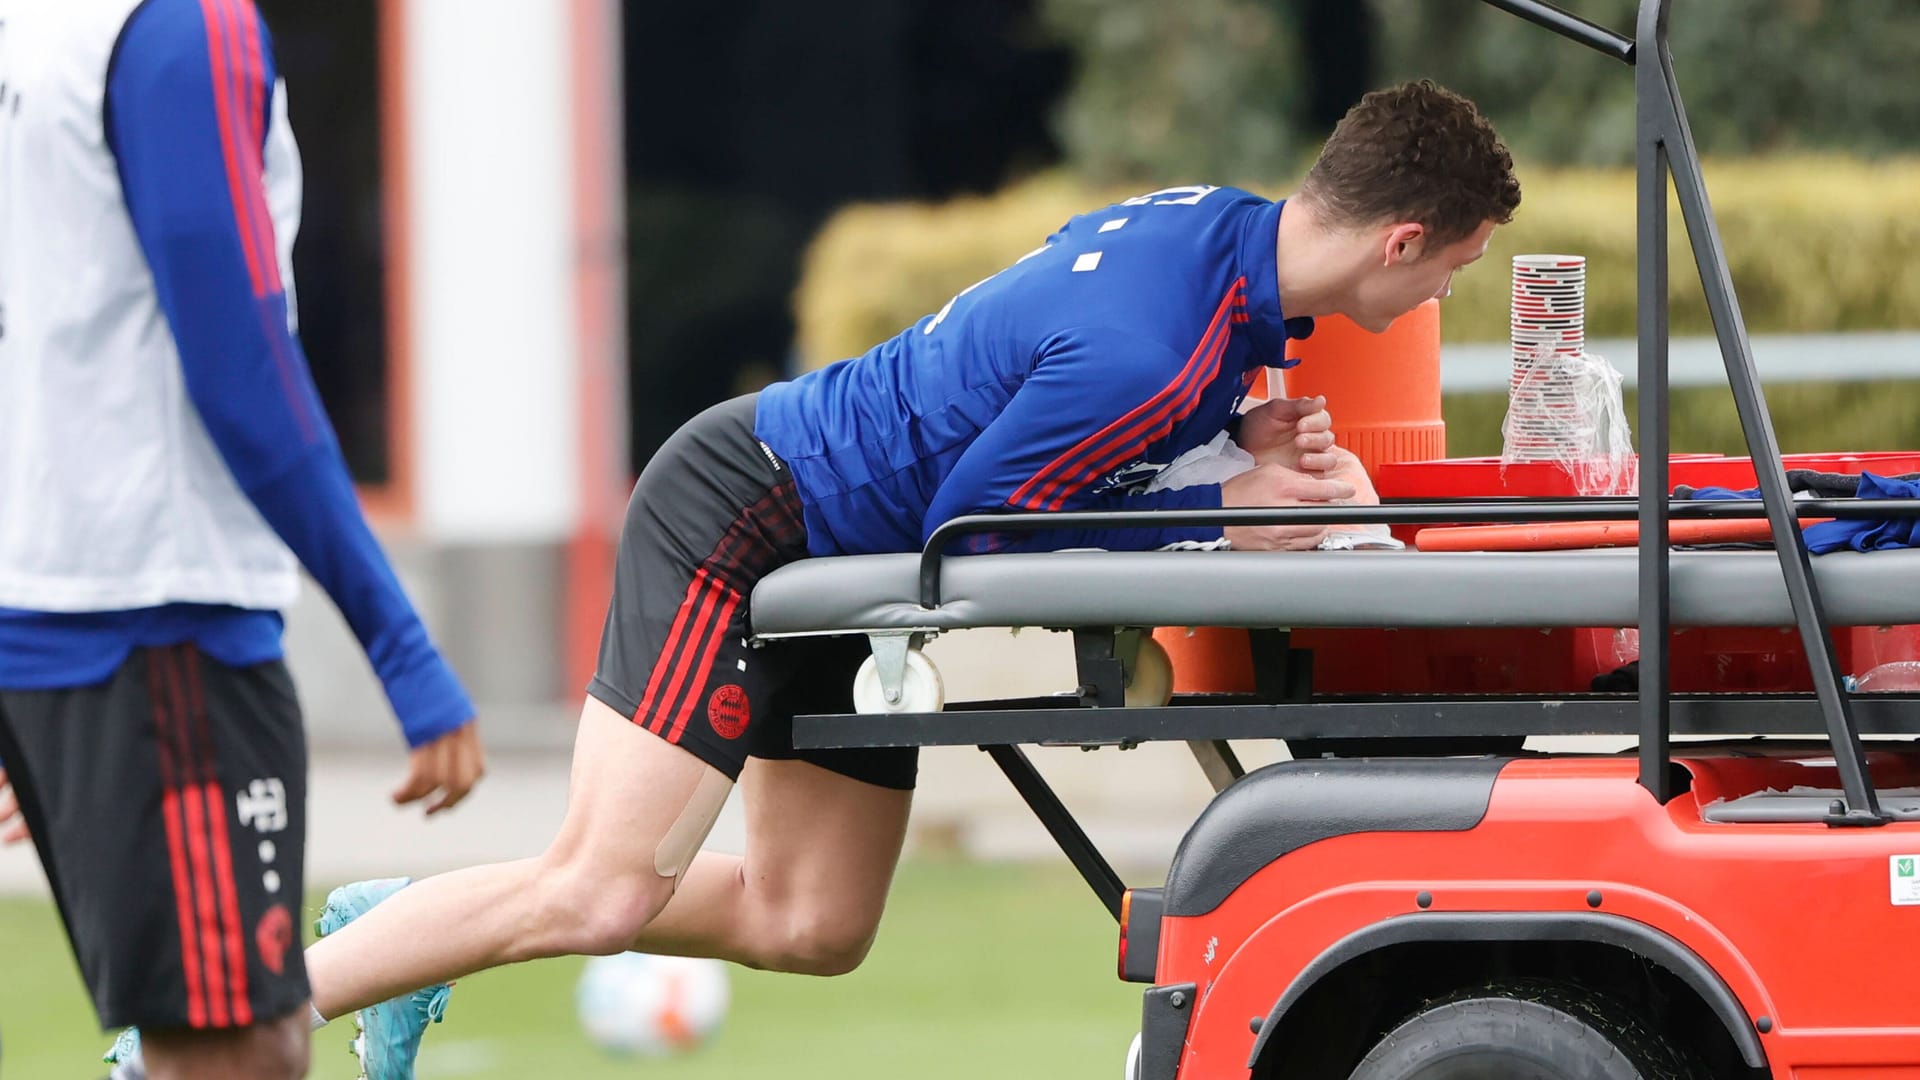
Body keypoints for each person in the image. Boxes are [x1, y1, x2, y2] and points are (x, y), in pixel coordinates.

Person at [127, 78, 1520, 1079]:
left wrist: (1235, 447)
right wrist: (1227, 522)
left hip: (844, 564)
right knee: (602, 892)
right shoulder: (1157, 336)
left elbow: (1053, 425)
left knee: (813, 926)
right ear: (1402, 241)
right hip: (751, 516)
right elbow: (977, 544)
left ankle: (422, 929)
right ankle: (202, 1033)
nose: (1444, 295)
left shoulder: (1228, 251)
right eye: (1459, 266)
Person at [0, 1, 484, 1077]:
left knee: (246, 1041)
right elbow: (241, 366)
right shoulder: (181, 27)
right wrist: (398, 642)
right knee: (233, 1055)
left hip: (70, 610)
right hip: (153, 620)